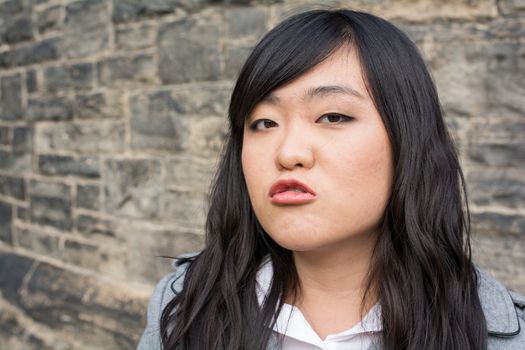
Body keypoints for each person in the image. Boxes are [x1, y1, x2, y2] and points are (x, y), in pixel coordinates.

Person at [137, 8, 525, 350]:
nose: (289, 153)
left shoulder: (505, 334)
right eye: (263, 123)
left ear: (408, 138)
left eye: (333, 117)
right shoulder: (184, 307)